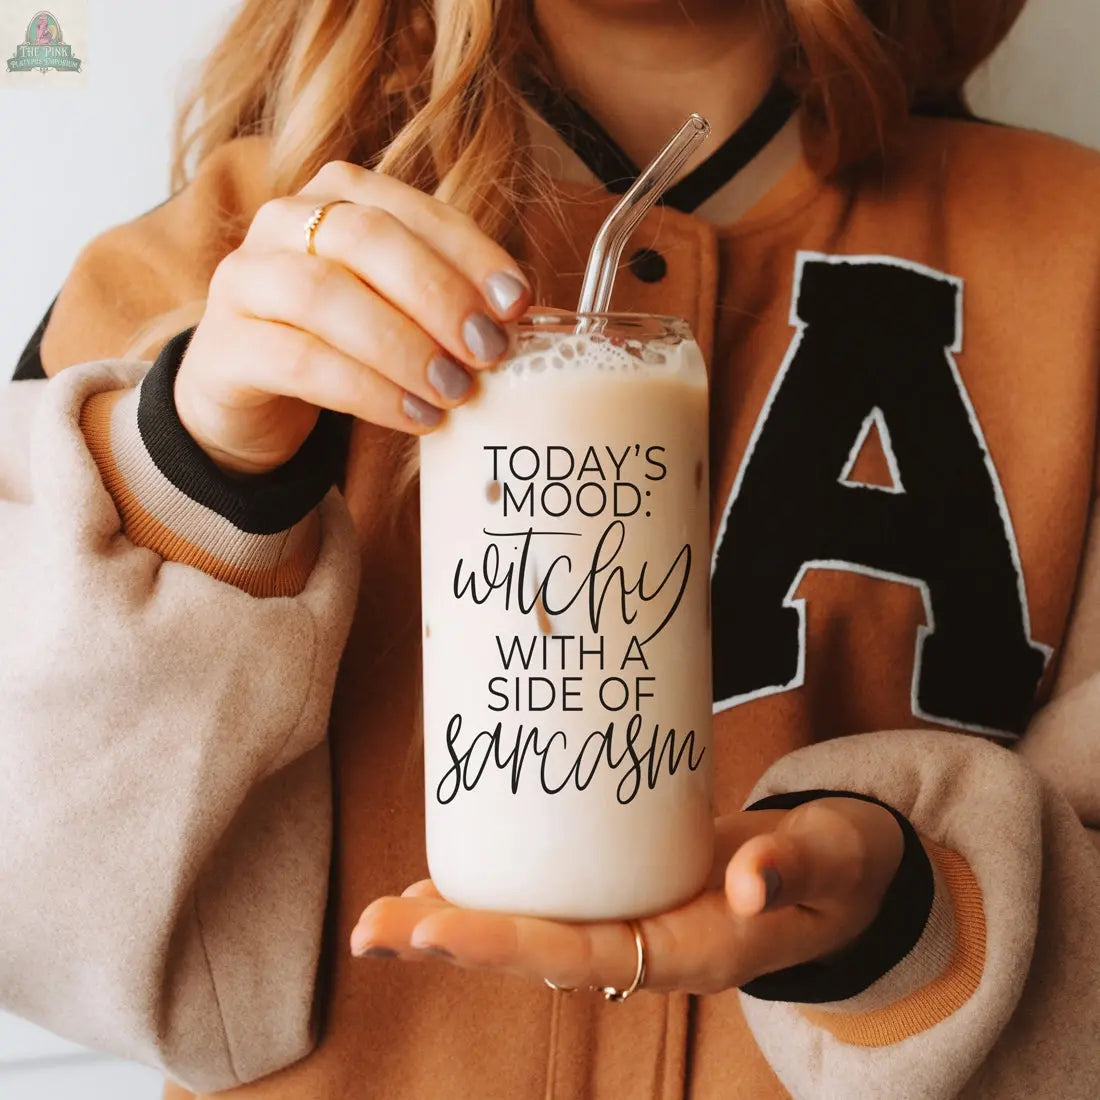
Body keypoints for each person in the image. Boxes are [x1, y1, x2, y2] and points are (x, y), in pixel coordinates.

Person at [4, 1, 1100, 1097]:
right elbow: (36, 909)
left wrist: (923, 919)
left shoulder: (1070, 264)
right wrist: (197, 469)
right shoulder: (215, 263)